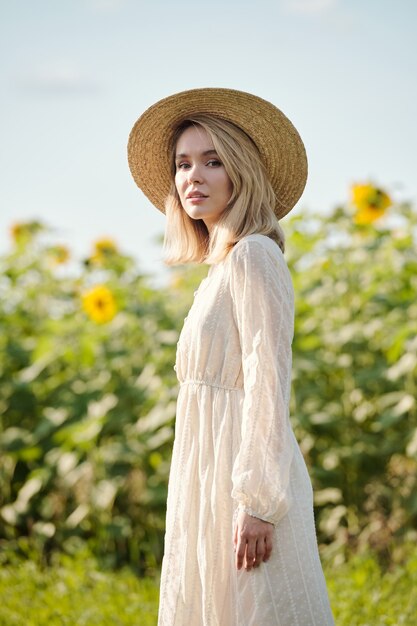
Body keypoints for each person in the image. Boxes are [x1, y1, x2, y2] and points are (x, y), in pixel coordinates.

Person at [127, 88, 334, 626]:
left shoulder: (254, 255)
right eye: (184, 163)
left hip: (245, 478)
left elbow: (269, 377)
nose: (193, 176)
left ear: (239, 172)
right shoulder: (222, 267)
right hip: (209, 471)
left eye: (213, 161)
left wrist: (259, 501)